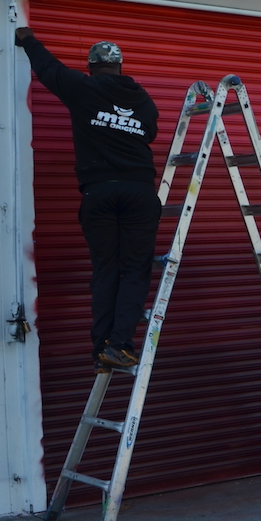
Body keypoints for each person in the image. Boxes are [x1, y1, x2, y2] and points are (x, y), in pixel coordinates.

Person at [16, 26, 161, 370]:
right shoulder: (142, 99)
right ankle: (120, 344)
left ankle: (102, 349)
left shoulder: (83, 88)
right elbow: (151, 132)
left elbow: (49, 69)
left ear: (92, 67)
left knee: (105, 269)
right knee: (135, 269)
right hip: (138, 191)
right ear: (120, 66)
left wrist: (27, 40)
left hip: (99, 191)